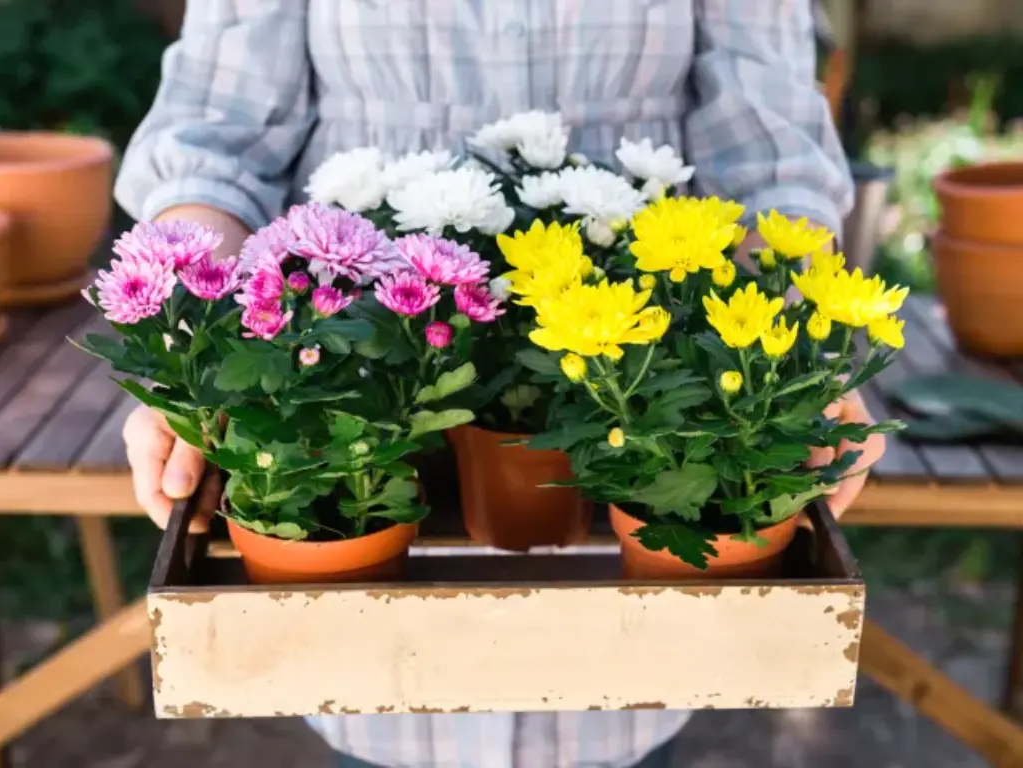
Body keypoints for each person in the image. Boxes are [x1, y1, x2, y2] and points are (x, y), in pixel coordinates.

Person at [116, 2, 884, 766]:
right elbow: (212, 146)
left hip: (632, 414)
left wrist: (793, 358)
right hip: (357, 399)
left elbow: (770, 166)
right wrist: (188, 343)